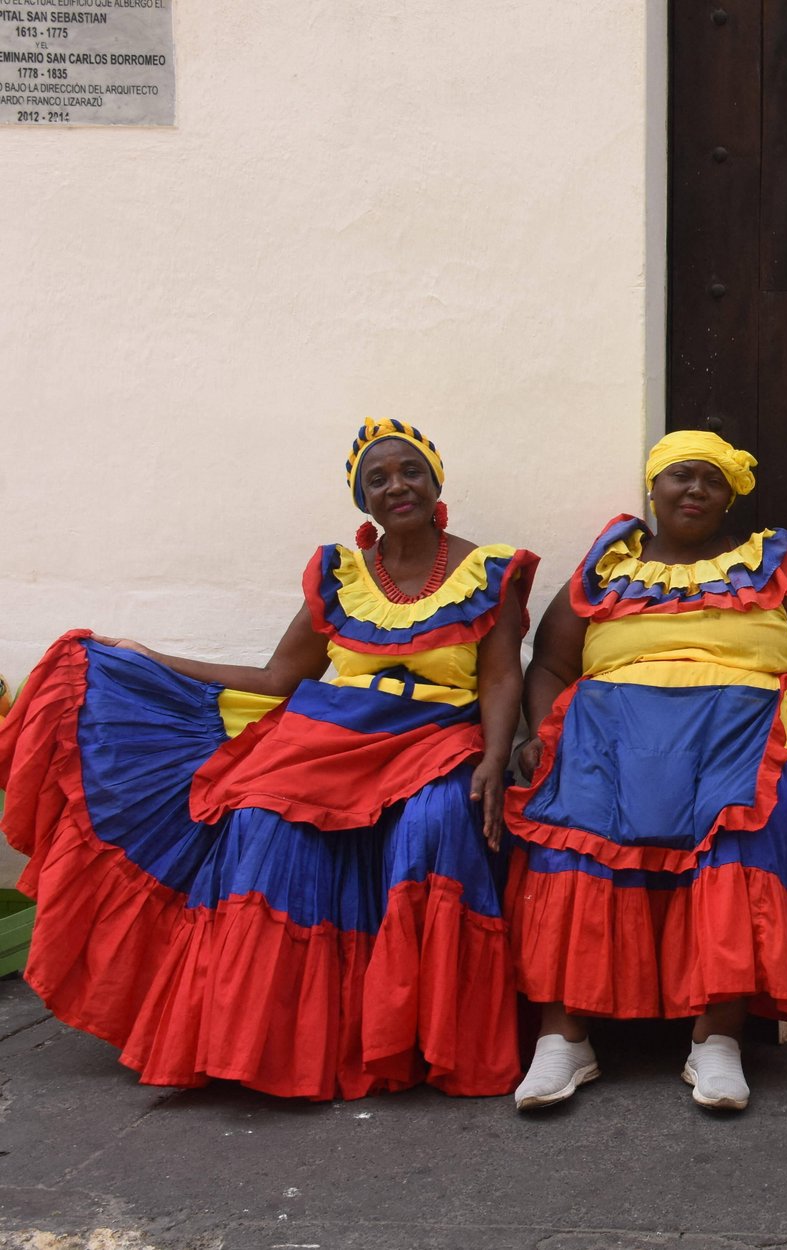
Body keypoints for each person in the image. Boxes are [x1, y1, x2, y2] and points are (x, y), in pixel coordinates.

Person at [0, 419, 537, 1099]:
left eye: (409, 471)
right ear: (361, 500)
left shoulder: (488, 570)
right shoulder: (341, 579)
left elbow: (498, 679)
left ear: (436, 482)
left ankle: (414, 1040)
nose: (397, 485)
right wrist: (151, 659)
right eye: (378, 478)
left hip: (437, 735)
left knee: (435, 824)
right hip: (334, 734)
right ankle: (259, 1040)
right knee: (260, 819)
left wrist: (493, 755)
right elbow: (280, 678)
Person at [505, 430, 787, 1113]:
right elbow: (549, 663)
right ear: (654, 488)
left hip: (742, 728)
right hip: (610, 728)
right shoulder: (607, 567)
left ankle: (717, 1038)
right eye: (681, 477)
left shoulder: (773, 562)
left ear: (730, 497)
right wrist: (546, 733)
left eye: (712, 481)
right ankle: (563, 1037)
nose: (695, 490)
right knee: (570, 827)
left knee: (736, 836)